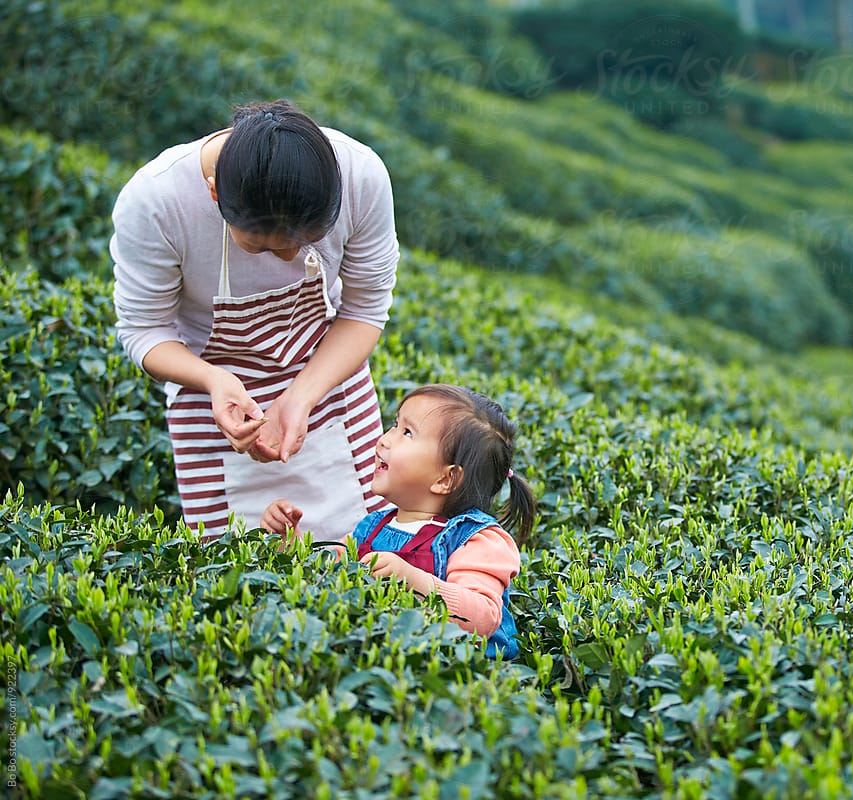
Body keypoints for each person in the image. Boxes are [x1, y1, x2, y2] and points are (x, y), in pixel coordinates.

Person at [110, 98, 399, 540]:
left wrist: (301, 396)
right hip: (214, 404)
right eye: (263, 246)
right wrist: (214, 382)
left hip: (328, 377)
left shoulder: (360, 175)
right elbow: (143, 329)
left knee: (372, 550)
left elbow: (364, 310)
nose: (289, 256)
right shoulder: (157, 201)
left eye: (307, 240)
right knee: (235, 569)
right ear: (214, 192)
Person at [260, 384, 536, 660]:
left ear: (445, 479)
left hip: (461, 678)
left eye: (407, 433)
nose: (385, 439)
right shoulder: (372, 528)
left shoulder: (476, 539)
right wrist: (289, 543)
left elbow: (483, 617)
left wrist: (410, 579)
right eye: (395, 425)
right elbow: (326, 578)